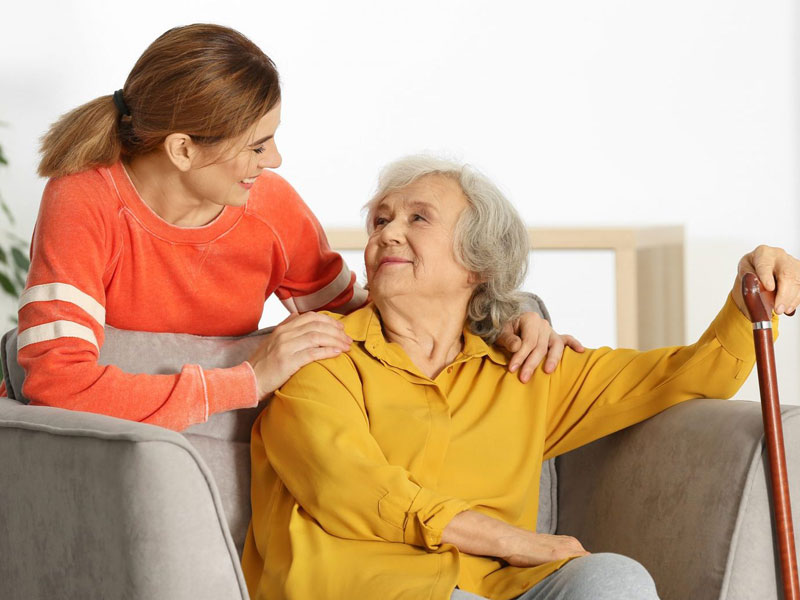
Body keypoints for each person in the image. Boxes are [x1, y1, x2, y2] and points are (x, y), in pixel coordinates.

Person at [242, 155, 800, 600]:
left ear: (477, 262)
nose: (386, 233)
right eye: (380, 220)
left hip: (497, 587)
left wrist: (748, 293)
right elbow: (352, 487)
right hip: (362, 587)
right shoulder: (319, 352)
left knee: (614, 581)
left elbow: (689, 375)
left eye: (418, 218)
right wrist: (515, 540)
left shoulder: (526, 372)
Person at [7, 24, 580, 431]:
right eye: (257, 145)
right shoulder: (85, 199)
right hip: (96, 456)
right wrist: (246, 380)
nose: (275, 160)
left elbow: (371, 318)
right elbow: (57, 383)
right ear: (182, 149)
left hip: (207, 448)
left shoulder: (270, 205)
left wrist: (500, 325)